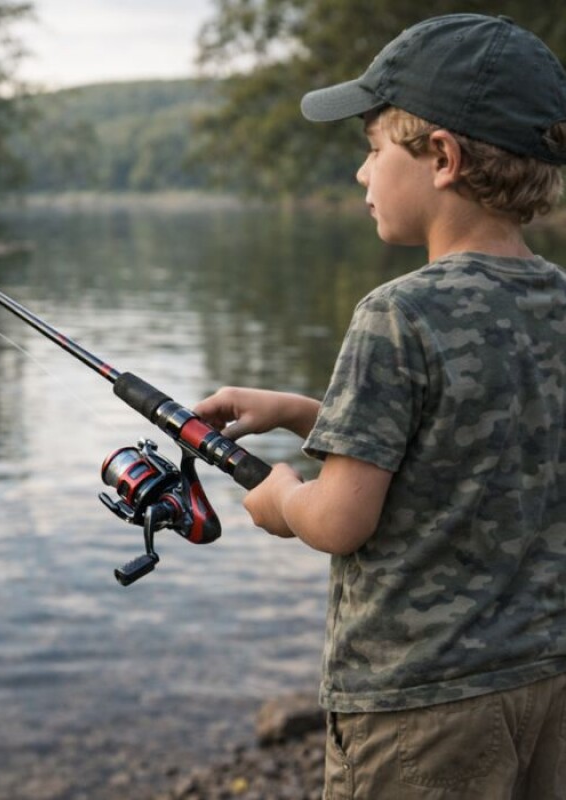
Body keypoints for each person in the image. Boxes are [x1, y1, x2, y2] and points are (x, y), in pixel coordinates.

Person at [194, 14, 566, 799]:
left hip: (418, 708)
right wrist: (306, 413)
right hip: (546, 682)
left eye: (371, 149)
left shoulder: (396, 314)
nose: (362, 176)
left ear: (442, 157)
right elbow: (478, 437)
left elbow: (339, 521)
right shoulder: (557, 301)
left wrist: (282, 497)